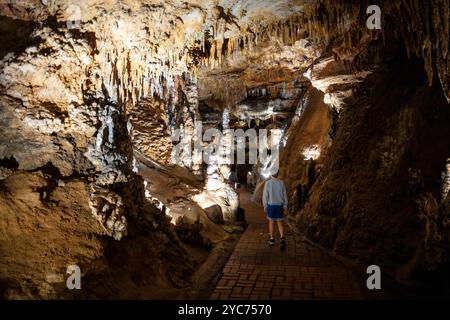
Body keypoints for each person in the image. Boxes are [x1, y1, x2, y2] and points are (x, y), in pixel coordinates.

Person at [262, 170, 288, 250]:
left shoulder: (268, 183)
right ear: (278, 173)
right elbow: (285, 195)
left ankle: (272, 239)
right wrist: (285, 206)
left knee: (271, 222)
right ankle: (282, 238)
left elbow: (265, 196)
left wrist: (265, 206)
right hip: (279, 206)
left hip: (271, 206)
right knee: (280, 222)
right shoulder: (281, 183)